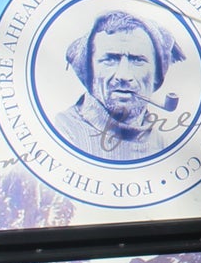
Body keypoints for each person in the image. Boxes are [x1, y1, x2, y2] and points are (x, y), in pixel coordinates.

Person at [51, 10, 185, 160]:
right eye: (110, 59)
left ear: (156, 76)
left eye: (137, 60)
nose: (123, 75)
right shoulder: (63, 132)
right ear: (90, 70)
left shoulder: (163, 147)